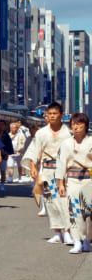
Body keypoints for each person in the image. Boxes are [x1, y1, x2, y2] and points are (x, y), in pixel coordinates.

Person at [24, 102, 73, 245]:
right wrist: (33, 166)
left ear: (61, 115)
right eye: (49, 114)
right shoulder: (41, 133)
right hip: (46, 170)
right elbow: (34, 151)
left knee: (64, 201)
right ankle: (57, 232)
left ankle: (68, 231)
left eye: (55, 114)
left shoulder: (68, 133)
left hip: (64, 171)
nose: (52, 116)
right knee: (50, 202)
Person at [57, 113, 92, 254]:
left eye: (79, 123)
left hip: (88, 179)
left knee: (88, 212)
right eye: (73, 124)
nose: (76, 127)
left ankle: (87, 240)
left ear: (85, 125)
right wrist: (60, 183)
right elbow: (61, 164)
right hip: (71, 180)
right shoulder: (66, 144)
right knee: (73, 210)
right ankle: (76, 241)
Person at [0, 120, 14, 194]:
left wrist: (8, 154)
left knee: (3, 171)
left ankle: (2, 184)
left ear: (5, 126)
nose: (1, 126)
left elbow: (9, 146)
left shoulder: (6, 135)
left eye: (2, 125)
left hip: (4, 155)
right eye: (0, 124)